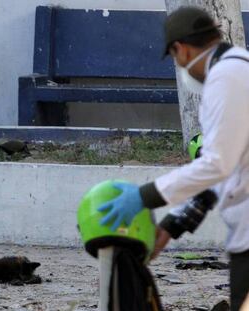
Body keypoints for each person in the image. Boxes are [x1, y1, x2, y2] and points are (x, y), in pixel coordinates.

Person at [98, 7, 249, 311]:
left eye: (175, 57)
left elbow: (217, 164)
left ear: (180, 49)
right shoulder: (236, 70)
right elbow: (222, 170)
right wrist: (171, 225)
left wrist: (145, 196)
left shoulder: (226, 77)